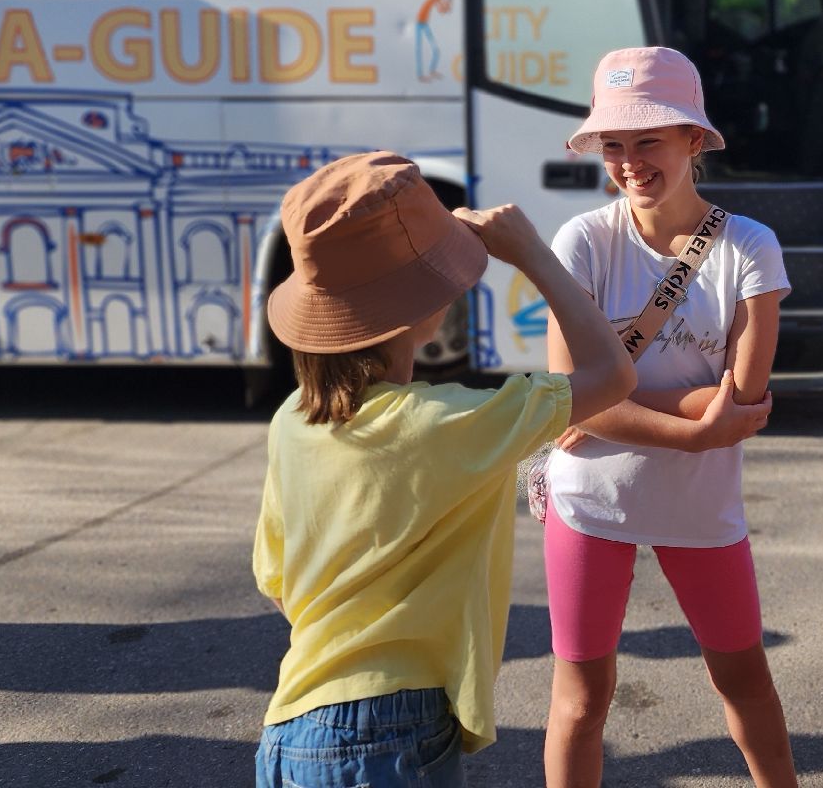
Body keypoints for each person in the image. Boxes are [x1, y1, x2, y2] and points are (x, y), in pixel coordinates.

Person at [251, 152, 638, 788]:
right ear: (417, 309)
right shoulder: (447, 422)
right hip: (388, 732)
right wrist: (535, 255)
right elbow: (613, 373)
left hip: (290, 727)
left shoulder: (294, 419)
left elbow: (276, 583)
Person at [540, 47, 796, 788]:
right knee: (581, 701)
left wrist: (607, 401)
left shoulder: (749, 245)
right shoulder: (582, 240)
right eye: (612, 145)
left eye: (647, 140)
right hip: (590, 500)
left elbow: (742, 398)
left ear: (692, 138)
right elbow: (569, 392)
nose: (628, 162)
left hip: (700, 505)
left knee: (744, 681)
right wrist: (694, 427)